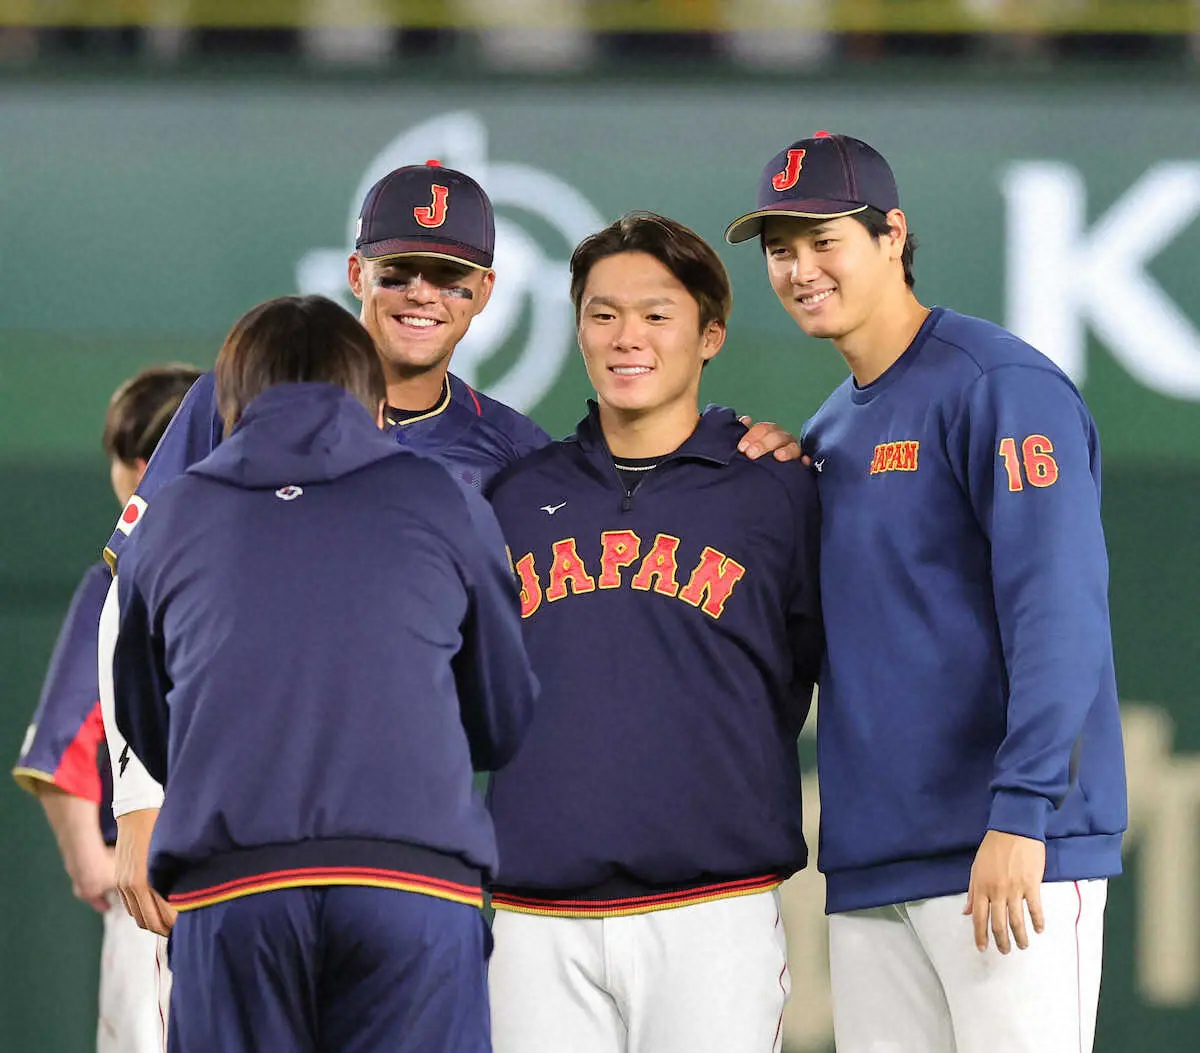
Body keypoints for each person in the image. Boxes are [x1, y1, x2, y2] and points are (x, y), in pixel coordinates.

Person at [100, 161, 804, 938]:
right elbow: (129, 595)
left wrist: (753, 447)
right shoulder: (241, 400)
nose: (423, 295)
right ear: (356, 272)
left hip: (399, 836)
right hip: (230, 811)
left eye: (451, 276)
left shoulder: (511, 456)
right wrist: (138, 799)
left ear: (486, 293)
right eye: (400, 271)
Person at [724, 131, 1128, 1053]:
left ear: (892, 235)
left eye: (824, 239)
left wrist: (1022, 814)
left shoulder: (999, 383)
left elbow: (1058, 608)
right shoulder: (830, 429)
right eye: (781, 250)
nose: (797, 269)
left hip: (1007, 846)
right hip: (875, 864)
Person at [112, 294, 537, 1053]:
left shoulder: (171, 516)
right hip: (413, 885)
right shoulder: (445, 497)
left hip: (233, 887)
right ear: (374, 403)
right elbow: (502, 716)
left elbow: (151, 726)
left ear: (229, 404)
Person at [484, 213, 823, 1053]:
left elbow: (807, 668)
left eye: (656, 315)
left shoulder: (776, 490)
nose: (626, 336)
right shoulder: (515, 498)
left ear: (710, 335)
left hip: (711, 910)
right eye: (603, 315)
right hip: (535, 916)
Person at [12, 364, 201, 1053]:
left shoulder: (120, 576)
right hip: (251, 883)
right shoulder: (269, 559)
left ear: (143, 464)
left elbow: (62, 753)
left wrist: (95, 863)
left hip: (158, 894)